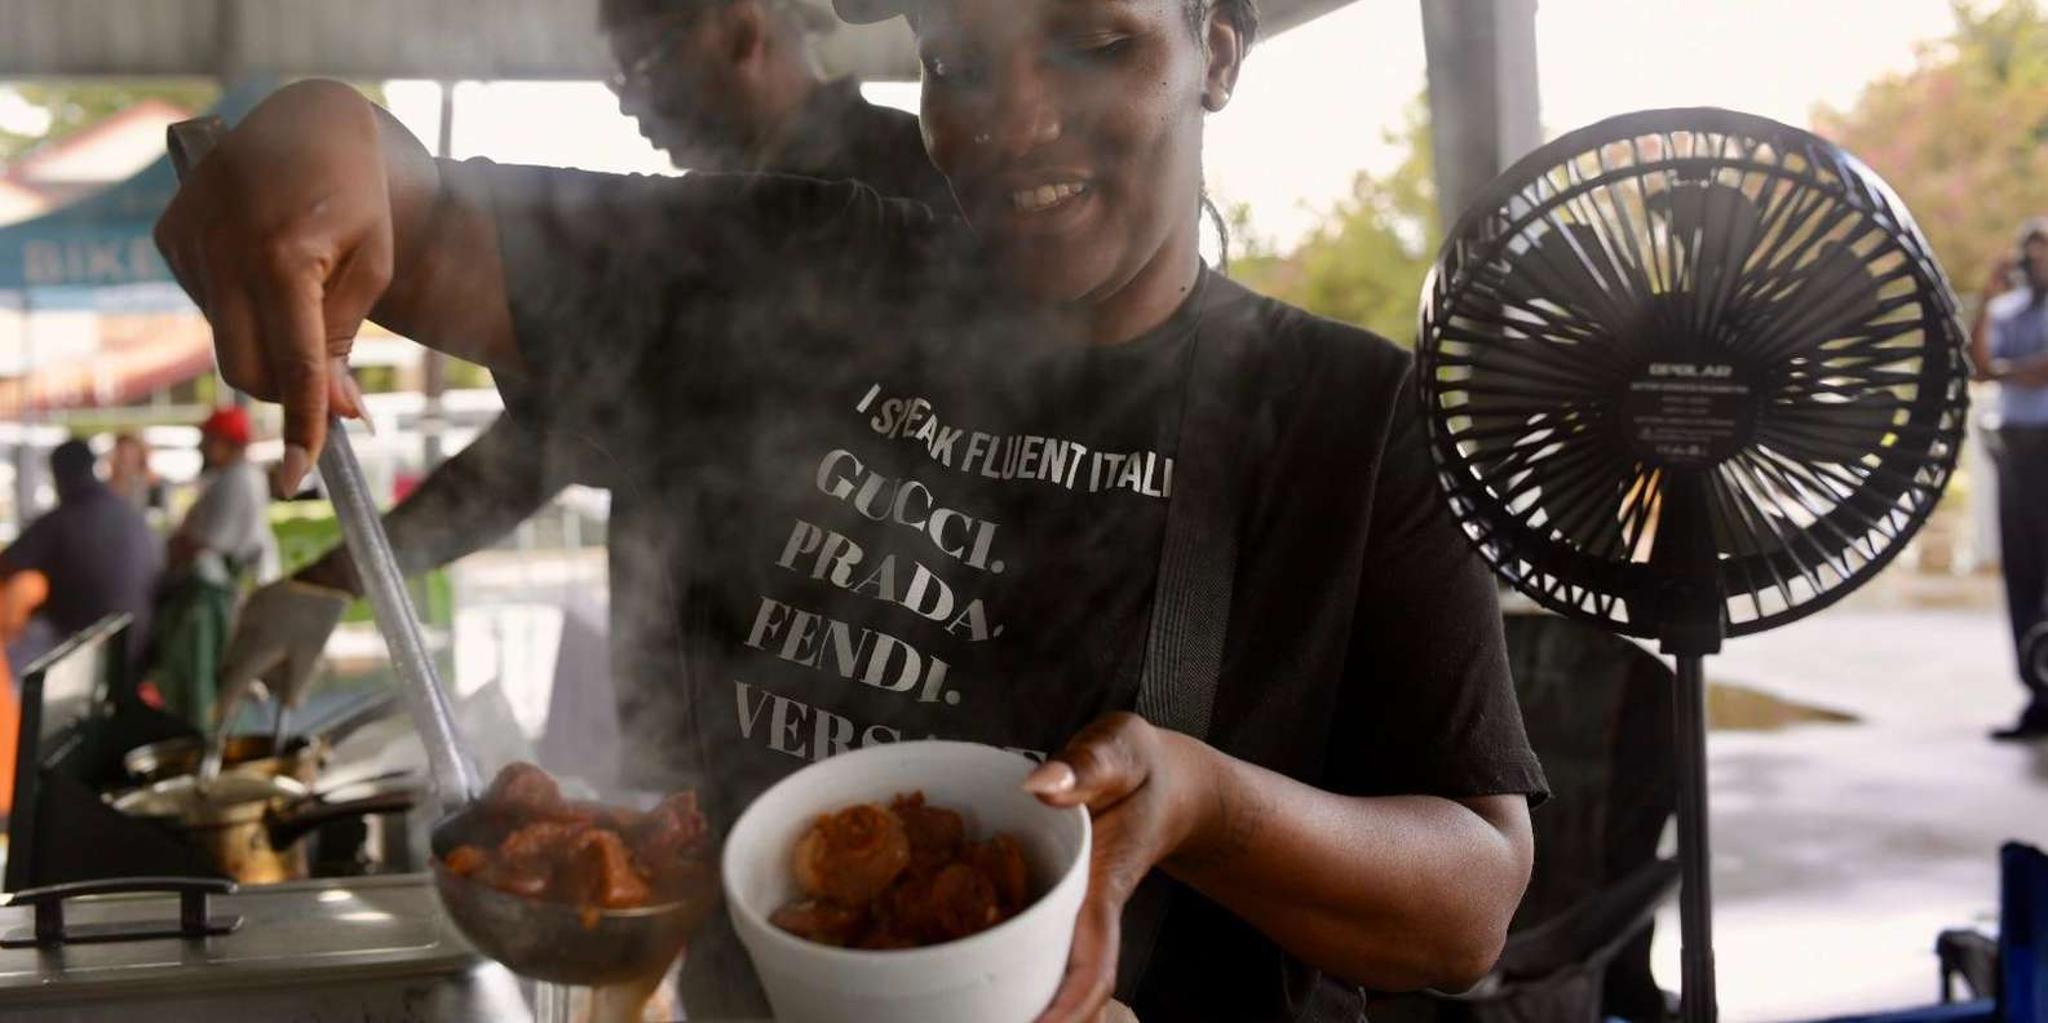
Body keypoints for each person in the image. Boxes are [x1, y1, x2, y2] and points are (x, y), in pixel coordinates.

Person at [154, 0, 1548, 1019]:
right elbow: (431, 217)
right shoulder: (794, 261)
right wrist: (312, 133)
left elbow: (1473, 898)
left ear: (1217, 49)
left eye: (1095, 40)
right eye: (954, 58)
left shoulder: (1344, 419)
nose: (1010, 119)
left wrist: (1204, 797)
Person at [221, 0, 952, 724]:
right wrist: (339, 577)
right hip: (693, 705)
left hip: (855, 721)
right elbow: (553, 434)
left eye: (640, 65)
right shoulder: (691, 228)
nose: (629, 102)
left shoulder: (912, 189)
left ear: (737, 29)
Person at [148, 407, 280, 724]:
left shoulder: (240, 479)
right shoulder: (230, 477)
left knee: (200, 685)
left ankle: (206, 749)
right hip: (210, 593)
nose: (203, 447)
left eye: (209, 440)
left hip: (211, 597)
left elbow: (206, 543)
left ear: (228, 442)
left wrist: (178, 546)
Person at [1970, 217, 2048, 741]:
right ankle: (2036, 695)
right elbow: (1978, 365)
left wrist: (2003, 369)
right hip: (2016, 449)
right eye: (2032, 254)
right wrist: (1985, 296)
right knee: (2021, 572)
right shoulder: (2006, 310)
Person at [0, 440, 162, 675]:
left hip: (90, 651)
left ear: (58, 474)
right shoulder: (128, 514)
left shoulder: (63, 519)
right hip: (136, 646)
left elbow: (7, 564)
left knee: (10, 664)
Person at [106, 432, 163, 516]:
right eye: (121, 452)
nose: (126, 458)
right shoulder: (108, 486)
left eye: (130, 452)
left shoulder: (152, 483)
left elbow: (157, 514)